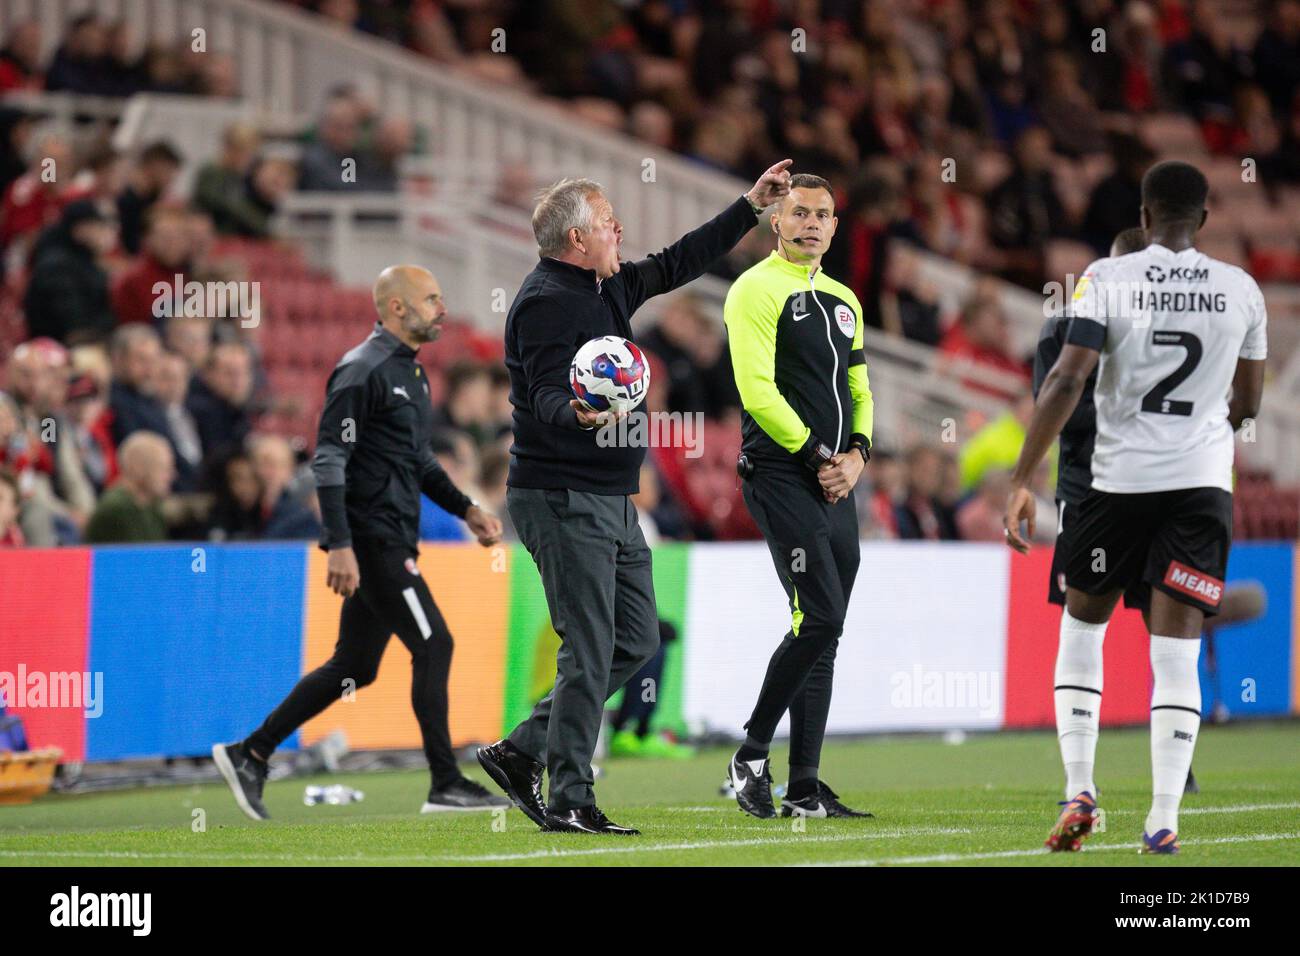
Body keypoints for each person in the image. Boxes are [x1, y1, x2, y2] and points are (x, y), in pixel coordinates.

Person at [476, 160, 793, 836]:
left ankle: (519, 751)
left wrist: (749, 208)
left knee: (637, 638)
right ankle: (569, 795)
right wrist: (578, 415)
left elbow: (681, 261)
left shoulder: (608, 284)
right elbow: (541, 394)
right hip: (561, 494)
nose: (619, 229)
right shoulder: (542, 301)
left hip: (612, 497)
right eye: (606, 221)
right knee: (589, 645)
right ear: (575, 239)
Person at [1004, 161, 1267, 855]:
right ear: (1204, 219)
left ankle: (1081, 787)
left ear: (1145, 217)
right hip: (1202, 486)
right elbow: (1250, 406)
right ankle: (1163, 818)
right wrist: (1204, 425)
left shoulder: (1106, 278)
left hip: (1115, 485)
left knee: (1082, 633)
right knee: (1176, 652)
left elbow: (1067, 378)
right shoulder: (1241, 288)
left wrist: (1023, 475)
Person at [212, 265, 507, 820]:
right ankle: (445, 782)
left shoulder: (412, 375)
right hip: (373, 541)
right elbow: (328, 456)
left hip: (392, 535)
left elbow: (416, 460)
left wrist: (466, 508)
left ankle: (250, 751)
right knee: (434, 643)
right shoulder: (361, 369)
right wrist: (339, 543)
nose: (442, 309)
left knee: (355, 666)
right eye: (431, 299)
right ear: (397, 308)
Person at [721, 173, 874, 819]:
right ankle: (750, 753)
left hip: (837, 479)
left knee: (826, 631)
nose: (812, 223)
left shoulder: (843, 298)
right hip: (782, 473)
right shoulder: (754, 289)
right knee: (821, 616)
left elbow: (861, 390)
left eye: (824, 215)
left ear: (835, 227)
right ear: (775, 223)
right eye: (800, 213)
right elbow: (757, 393)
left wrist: (858, 455)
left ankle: (805, 786)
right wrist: (820, 458)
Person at [84, 431, 174, 544]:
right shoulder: (116, 509)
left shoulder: (151, 505)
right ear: (138, 467)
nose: (171, 476)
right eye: (162, 468)